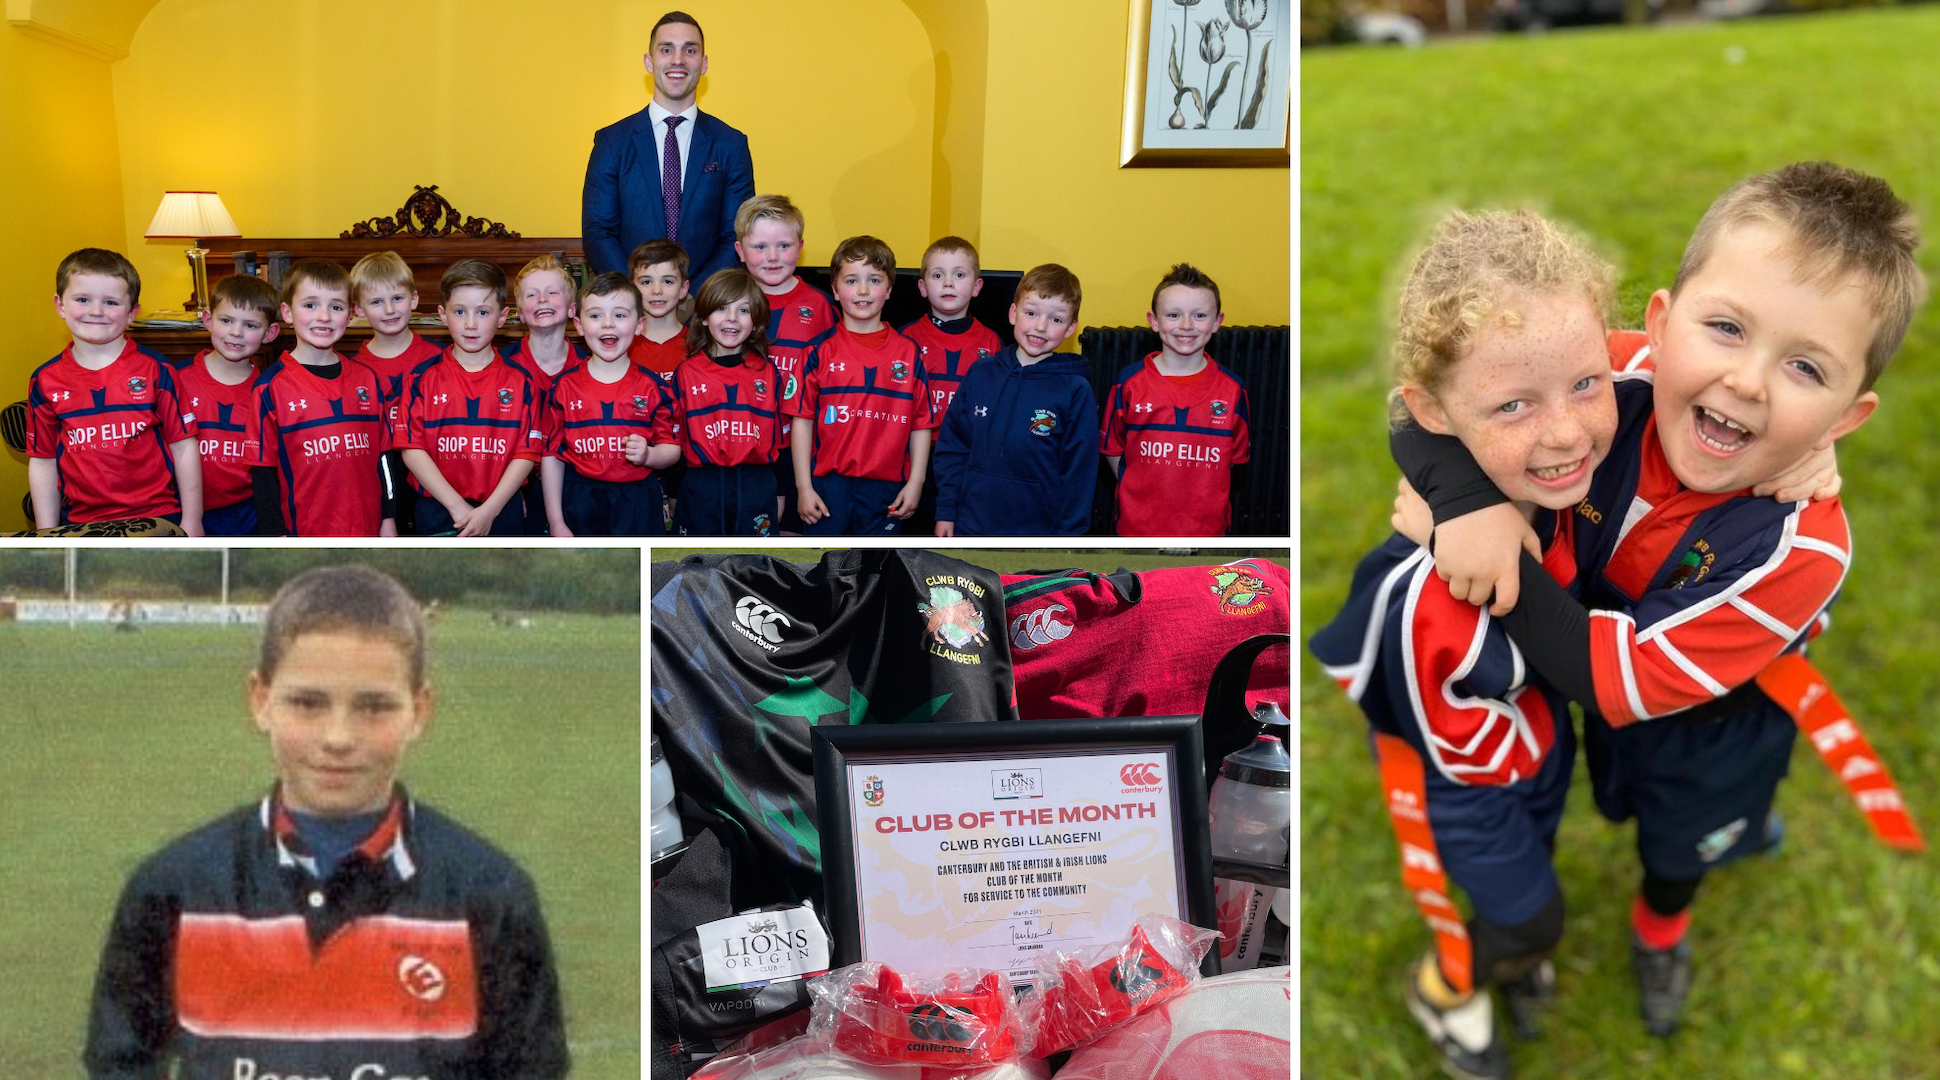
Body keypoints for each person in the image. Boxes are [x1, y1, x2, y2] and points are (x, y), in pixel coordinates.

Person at [1391, 162, 1923, 1039]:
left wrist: (1496, 556)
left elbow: (1610, 677)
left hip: (1712, 726)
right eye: (1725, 328)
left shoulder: (1806, 549)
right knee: (1582, 790)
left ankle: (1662, 928)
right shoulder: (1614, 375)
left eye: (1803, 366)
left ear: (1843, 417)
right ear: (1661, 325)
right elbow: (1426, 405)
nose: (1748, 382)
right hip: (1587, 668)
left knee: (1681, 844)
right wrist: (1464, 500)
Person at [1310, 209, 1621, 1080]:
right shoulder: (1429, 597)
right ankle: (1444, 988)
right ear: (1432, 411)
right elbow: (1424, 727)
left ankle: (1513, 944)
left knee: (1534, 874)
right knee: (1528, 913)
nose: (1564, 434)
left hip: (1537, 749)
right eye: (1513, 405)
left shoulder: (1557, 480)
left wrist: (1809, 454)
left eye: (1586, 386)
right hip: (1470, 778)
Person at [83, 564, 569, 1080]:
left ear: (419, 710)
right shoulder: (174, 887)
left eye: (374, 707)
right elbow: (120, 1061)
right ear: (261, 700)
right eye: (308, 703)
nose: (338, 736)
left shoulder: (489, 892)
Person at [27, 248, 202, 534]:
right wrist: (47, 534)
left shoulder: (157, 370)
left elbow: (184, 445)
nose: (96, 311)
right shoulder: (45, 380)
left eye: (111, 302)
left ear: (132, 312)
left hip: (159, 517)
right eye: (83, 299)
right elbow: (43, 461)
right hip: (81, 524)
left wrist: (192, 521)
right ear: (60, 305)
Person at [582, 10, 753, 283]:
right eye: (666, 49)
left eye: (689, 50)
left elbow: (735, 235)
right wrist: (638, 293)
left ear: (704, 63)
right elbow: (598, 232)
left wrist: (693, 298)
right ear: (649, 62)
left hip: (703, 309)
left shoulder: (731, 144)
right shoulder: (612, 142)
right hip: (630, 307)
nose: (678, 59)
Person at [932, 263, 1097, 537]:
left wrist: (1068, 536)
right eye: (1031, 313)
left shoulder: (1076, 390)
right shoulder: (980, 374)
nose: (1041, 326)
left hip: (1038, 532)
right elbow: (953, 447)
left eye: (1056, 319)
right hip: (969, 525)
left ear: (1070, 328)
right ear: (1013, 313)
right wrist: (946, 511)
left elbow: (1080, 474)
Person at [784, 236, 933, 536]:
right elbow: (802, 422)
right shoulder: (817, 352)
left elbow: (921, 424)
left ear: (889, 289)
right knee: (826, 569)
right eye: (852, 280)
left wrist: (915, 483)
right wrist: (803, 487)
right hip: (827, 487)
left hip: (887, 489)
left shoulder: (909, 353)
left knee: (877, 572)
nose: (863, 290)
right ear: (835, 290)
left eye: (874, 280)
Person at [1103, 263, 1252, 536]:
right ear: (1154, 321)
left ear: (1217, 322)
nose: (1186, 325)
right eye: (1173, 315)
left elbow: (1232, 462)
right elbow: (1115, 452)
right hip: (1137, 530)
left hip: (1207, 533)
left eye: (1199, 315)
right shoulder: (1129, 383)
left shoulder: (1232, 390)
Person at [398, 259, 544, 537]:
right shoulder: (420, 379)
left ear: (503, 317)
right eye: (460, 311)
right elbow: (411, 449)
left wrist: (490, 510)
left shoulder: (522, 382)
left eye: (483, 312)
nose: (471, 323)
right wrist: (458, 509)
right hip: (439, 510)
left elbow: (526, 454)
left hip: (501, 509)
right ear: (443, 315)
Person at [252, 260, 395, 536]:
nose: (324, 316)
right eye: (310, 305)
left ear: (351, 315)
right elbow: (263, 476)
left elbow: (385, 459)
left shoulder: (368, 380)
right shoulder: (269, 388)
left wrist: (388, 520)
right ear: (287, 312)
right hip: (303, 536)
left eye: (336, 307)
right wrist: (276, 537)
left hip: (367, 529)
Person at [542, 273, 681, 536]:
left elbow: (672, 448)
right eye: (595, 316)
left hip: (637, 502)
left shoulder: (654, 388)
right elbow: (551, 456)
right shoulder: (563, 388)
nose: (608, 325)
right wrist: (557, 521)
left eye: (619, 315)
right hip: (580, 500)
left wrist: (649, 455)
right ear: (579, 325)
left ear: (640, 325)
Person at [735, 193, 837, 534]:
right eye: (760, 247)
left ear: (800, 246)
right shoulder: (727, 303)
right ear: (740, 251)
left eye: (783, 245)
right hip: (744, 448)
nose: (773, 257)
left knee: (792, 533)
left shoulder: (820, 306)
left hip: (801, 449)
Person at [670, 269, 783, 536]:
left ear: (756, 321)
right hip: (702, 486)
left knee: (754, 564)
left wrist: (780, 493)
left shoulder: (768, 373)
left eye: (743, 310)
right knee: (697, 566)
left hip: (755, 485)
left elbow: (780, 440)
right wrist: (675, 492)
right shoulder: (687, 372)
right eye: (721, 308)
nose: (732, 318)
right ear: (705, 318)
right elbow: (677, 437)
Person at [900, 235, 1001, 533]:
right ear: (922, 287)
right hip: (914, 457)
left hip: (967, 459)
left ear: (976, 286)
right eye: (937, 275)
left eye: (959, 275)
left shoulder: (992, 343)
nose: (948, 283)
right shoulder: (906, 339)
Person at [174, 274, 281, 536]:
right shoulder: (175, 380)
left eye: (250, 325)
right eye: (226, 320)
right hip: (184, 512)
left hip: (248, 515)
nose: (236, 332)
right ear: (208, 320)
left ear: (270, 333)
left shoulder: (271, 390)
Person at [348, 251, 443, 535]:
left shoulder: (438, 359)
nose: (389, 310)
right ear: (359, 310)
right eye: (376, 302)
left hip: (433, 469)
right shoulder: (354, 369)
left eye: (397, 298)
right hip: (380, 475)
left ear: (413, 299)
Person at [500, 254, 588, 534]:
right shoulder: (500, 367)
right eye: (532, 295)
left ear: (573, 309)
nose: (542, 299)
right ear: (520, 313)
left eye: (552, 292)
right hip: (515, 488)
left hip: (578, 487)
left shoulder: (591, 367)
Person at [627, 239, 692, 380]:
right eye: (646, 282)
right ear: (632, 289)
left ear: (683, 289)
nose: (656, 290)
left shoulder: (697, 344)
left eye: (667, 281)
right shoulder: (624, 343)